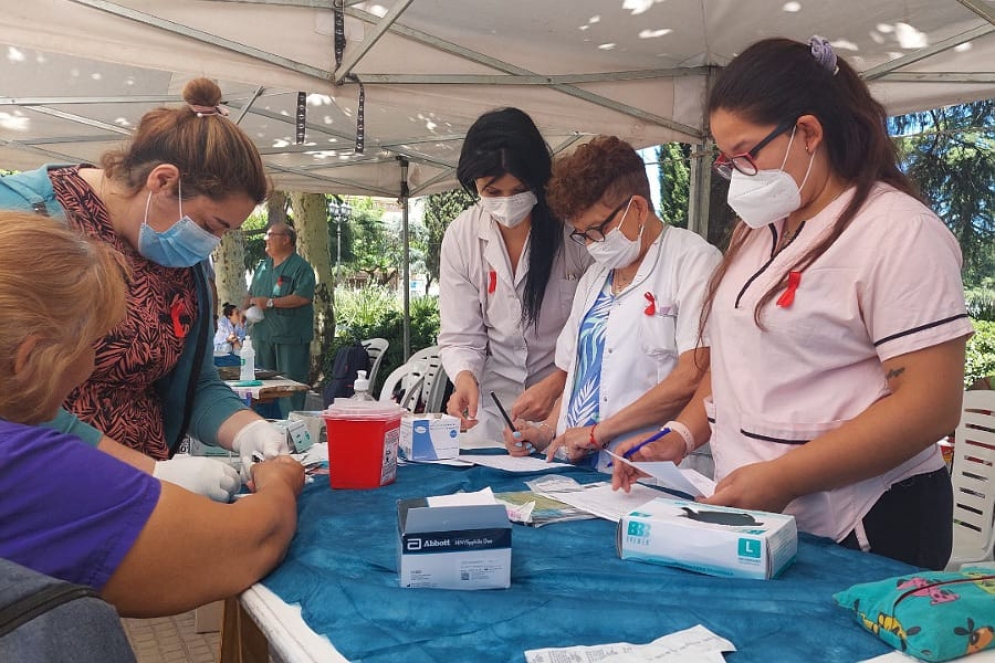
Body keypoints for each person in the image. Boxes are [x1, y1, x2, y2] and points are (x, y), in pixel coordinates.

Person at [612, 37, 973, 570]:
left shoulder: (898, 232)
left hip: (865, 519)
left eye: (747, 154)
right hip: (765, 513)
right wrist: (681, 436)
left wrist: (784, 477)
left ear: (808, 132)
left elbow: (929, 406)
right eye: (726, 161)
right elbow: (738, 361)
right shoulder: (758, 233)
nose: (737, 174)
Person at [0, 212, 305, 617]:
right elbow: (249, 542)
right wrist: (278, 483)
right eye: (93, 344)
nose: (92, 366)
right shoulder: (28, 464)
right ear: (30, 358)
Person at [0, 77, 290, 500]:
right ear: (162, 182)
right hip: (42, 495)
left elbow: (195, 384)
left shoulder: (183, 263)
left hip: (146, 495)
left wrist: (250, 430)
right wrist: (146, 471)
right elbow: (14, 399)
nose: (209, 244)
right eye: (210, 227)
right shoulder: (23, 220)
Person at [501, 136, 721, 473]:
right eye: (581, 234)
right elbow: (579, 372)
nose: (590, 244)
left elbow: (693, 376)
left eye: (597, 230)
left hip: (652, 471)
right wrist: (545, 432)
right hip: (577, 469)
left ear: (637, 208)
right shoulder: (595, 278)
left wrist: (599, 432)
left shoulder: (692, 262)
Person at [440, 107, 591, 444]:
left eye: (518, 190)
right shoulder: (462, 237)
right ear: (474, 185)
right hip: (495, 408)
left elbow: (598, 332)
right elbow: (461, 335)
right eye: (492, 193)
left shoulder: (575, 231)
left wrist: (556, 388)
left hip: (570, 404)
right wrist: (465, 377)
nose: (507, 203)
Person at [244, 222, 316, 417]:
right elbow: (251, 293)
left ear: (286, 239)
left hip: (290, 337)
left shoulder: (301, 268)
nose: (265, 239)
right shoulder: (263, 266)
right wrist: (242, 312)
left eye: (270, 235)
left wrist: (270, 303)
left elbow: (303, 297)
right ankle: (264, 427)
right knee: (262, 388)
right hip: (262, 335)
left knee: (288, 388)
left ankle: (291, 431)